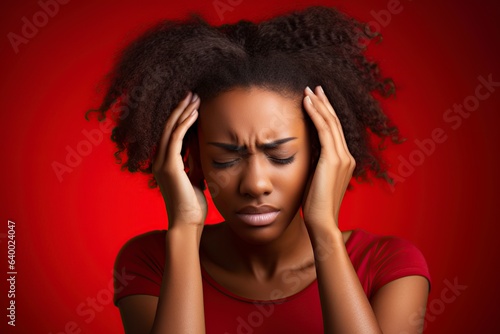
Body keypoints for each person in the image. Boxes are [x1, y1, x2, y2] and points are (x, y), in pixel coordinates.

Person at [87, 5, 431, 333]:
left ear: (322, 153)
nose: (255, 184)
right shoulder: (150, 262)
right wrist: (184, 230)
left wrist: (324, 230)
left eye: (280, 156)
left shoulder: (388, 265)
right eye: (225, 159)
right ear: (190, 159)